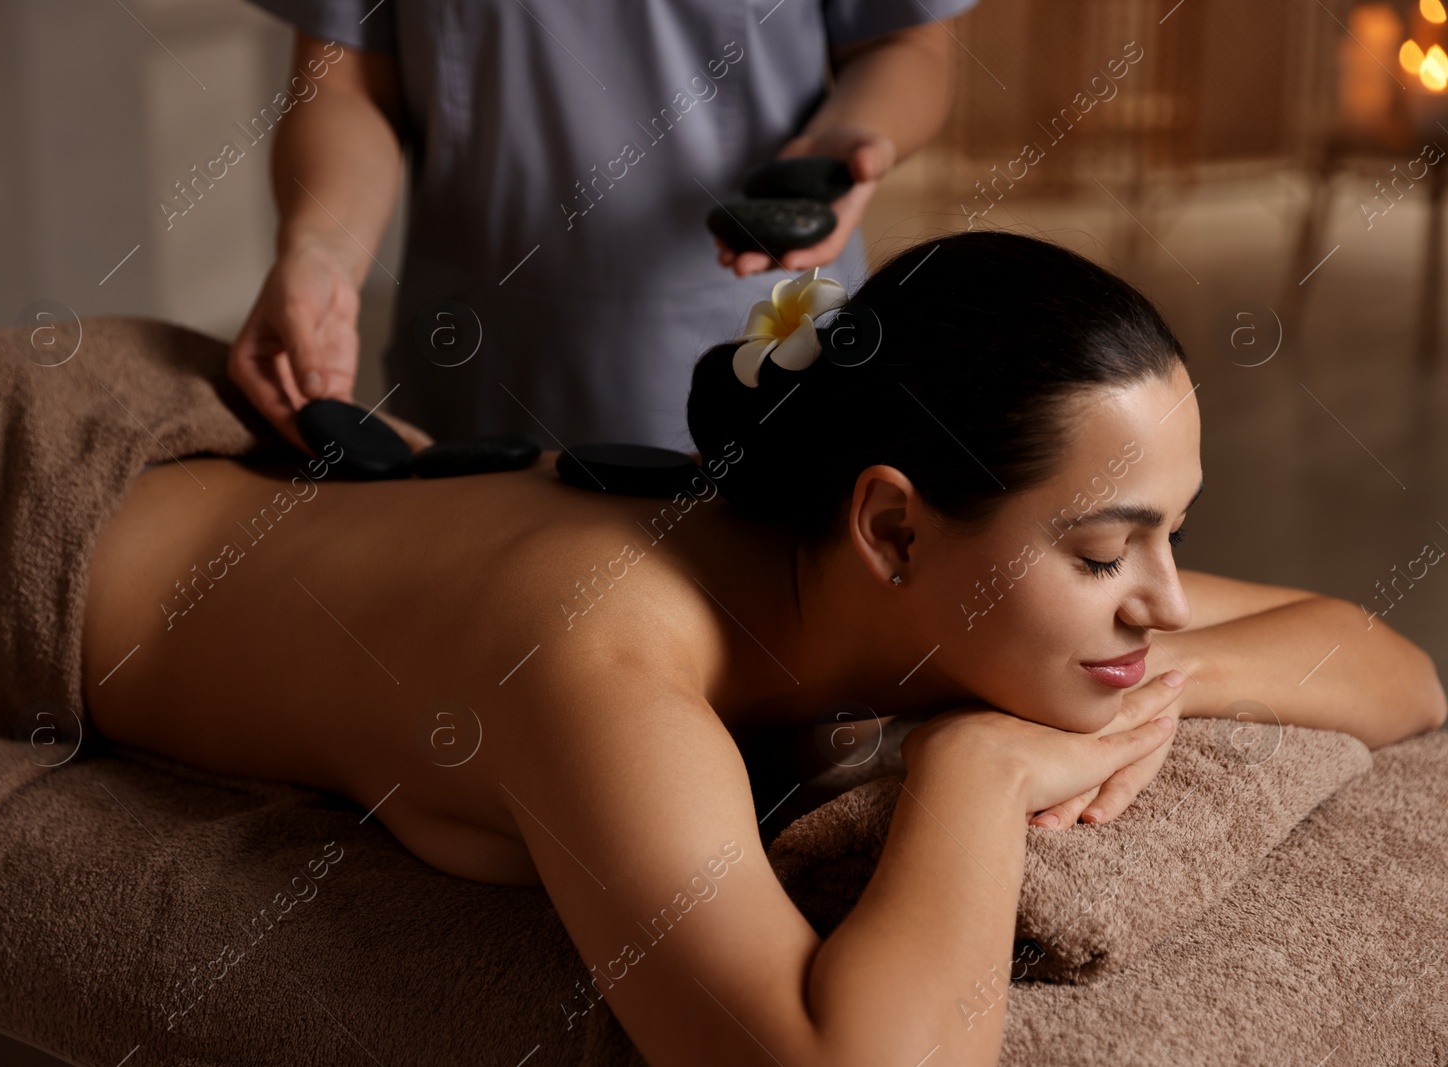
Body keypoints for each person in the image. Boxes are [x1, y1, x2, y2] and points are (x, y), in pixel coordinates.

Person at [83, 232, 1446, 1066]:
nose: (1156, 596)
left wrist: (1176, 675)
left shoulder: (928, 572)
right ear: (895, 527)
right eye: (1102, 553)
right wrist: (971, 772)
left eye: (1173, 538)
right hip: (53, 503)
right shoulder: (605, 651)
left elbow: (1393, 669)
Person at [229, 0, 975, 453]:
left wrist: (851, 134)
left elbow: (904, 42)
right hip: (485, 357)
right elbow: (345, 84)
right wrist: (319, 247)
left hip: (766, 341)